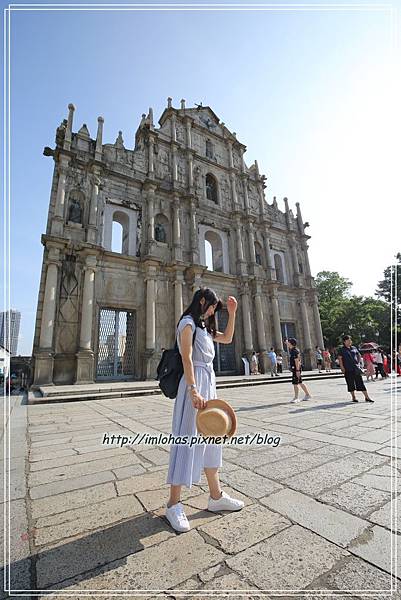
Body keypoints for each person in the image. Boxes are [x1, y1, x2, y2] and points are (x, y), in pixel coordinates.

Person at [165, 288, 244, 532]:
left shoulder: (205, 328)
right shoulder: (187, 323)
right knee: (186, 439)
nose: (212, 312)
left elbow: (228, 338)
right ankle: (173, 504)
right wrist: (193, 390)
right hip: (194, 385)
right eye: (211, 307)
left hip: (209, 383)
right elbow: (187, 357)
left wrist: (232, 314)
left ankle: (216, 496)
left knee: (212, 437)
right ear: (202, 301)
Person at [337, 335, 374, 403]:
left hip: (356, 368)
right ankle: (353, 397)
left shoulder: (354, 348)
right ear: (344, 341)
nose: (350, 342)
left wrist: (359, 362)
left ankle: (367, 397)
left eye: (350, 340)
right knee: (350, 383)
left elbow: (358, 355)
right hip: (347, 368)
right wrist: (342, 367)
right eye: (348, 340)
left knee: (360, 382)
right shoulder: (341, 349)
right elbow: (340, 358)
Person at [285, 338, 311, 403]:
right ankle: (307, 395)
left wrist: (297, 370)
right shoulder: (294, 350)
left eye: (288, 342)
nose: (287, 343)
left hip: (296, 369)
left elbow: (297, 361)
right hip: (296, 369)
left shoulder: (294, 351)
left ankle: (296, 398)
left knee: (295, 383)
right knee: (300, 382)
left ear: (291, 343)